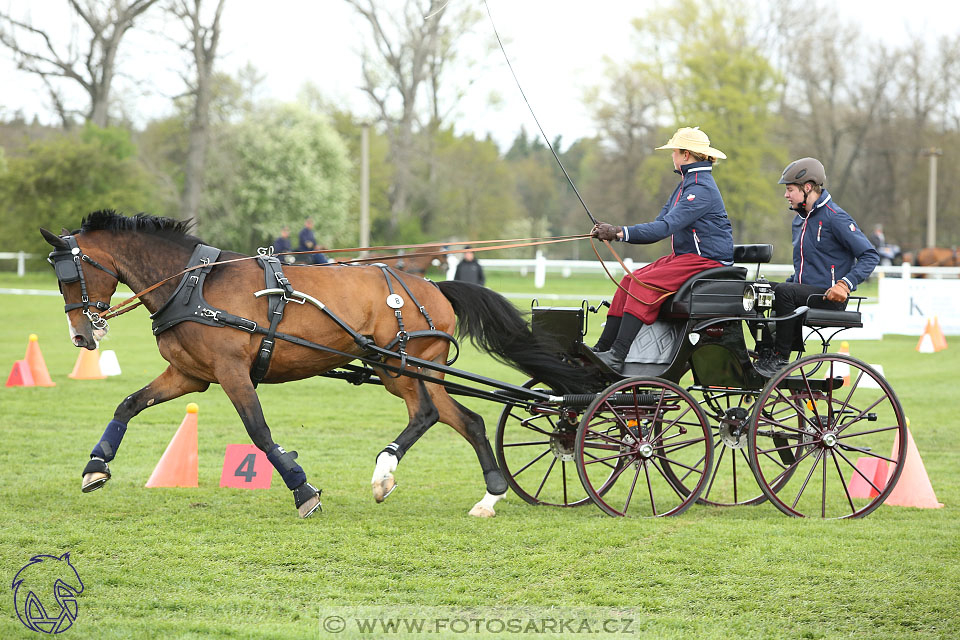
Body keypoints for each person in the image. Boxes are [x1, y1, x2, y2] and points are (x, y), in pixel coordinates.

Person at [591, 126, 735, 371]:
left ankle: (617, 354)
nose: (672, 156)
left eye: (674, 152)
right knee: (629, 280)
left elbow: (663, 228)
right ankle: (602, 349)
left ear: (686, 155)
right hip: (687, 258)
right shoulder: (686, 186)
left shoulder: (700, 189)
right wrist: (615, 230)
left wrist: (618, 232)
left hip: (707, 262)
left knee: (641, 285)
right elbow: (659, 225)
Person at [755, 158, 879, 376]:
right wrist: (791, 283)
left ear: (808, 188)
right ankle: (765, 349)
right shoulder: (799, 220)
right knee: (756, 289)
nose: (786, 195)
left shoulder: (835, 217)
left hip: (830, 297)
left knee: (784, 292)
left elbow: (870, 255)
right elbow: (806, 265)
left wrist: (845, 284)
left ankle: (780, 358)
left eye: (790, 189)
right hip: (803, 292)